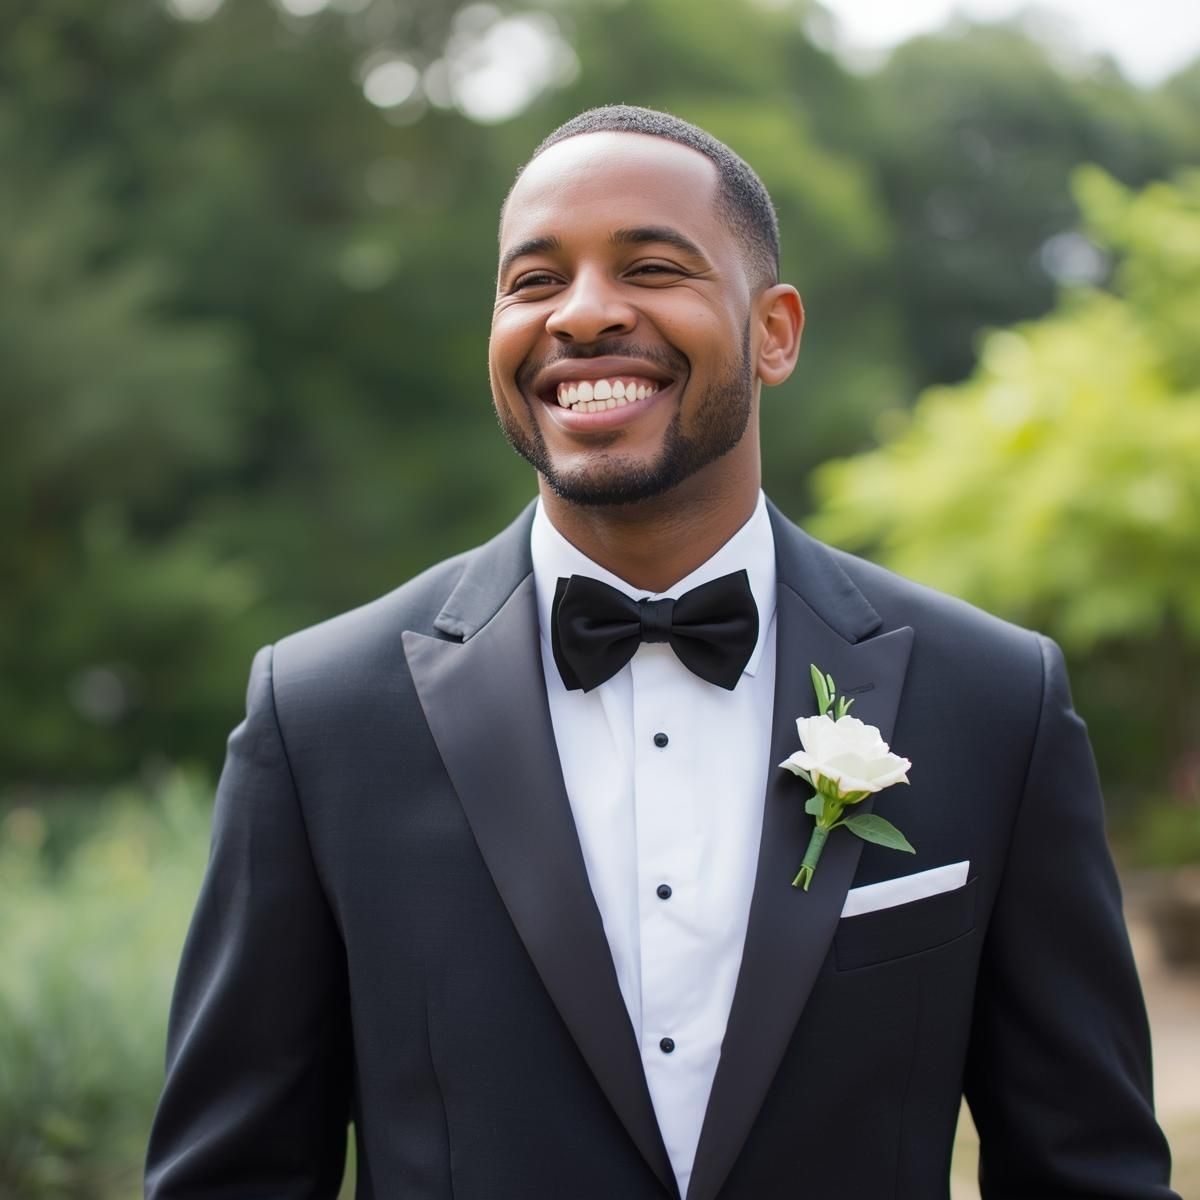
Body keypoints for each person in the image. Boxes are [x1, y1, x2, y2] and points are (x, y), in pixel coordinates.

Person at [145, 105, 1177, 1200]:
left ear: (774, 332)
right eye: (534, 282)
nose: (583, 315)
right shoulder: (318, 717)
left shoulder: (994, 701)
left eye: (651, 266)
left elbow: (1089, 1171)